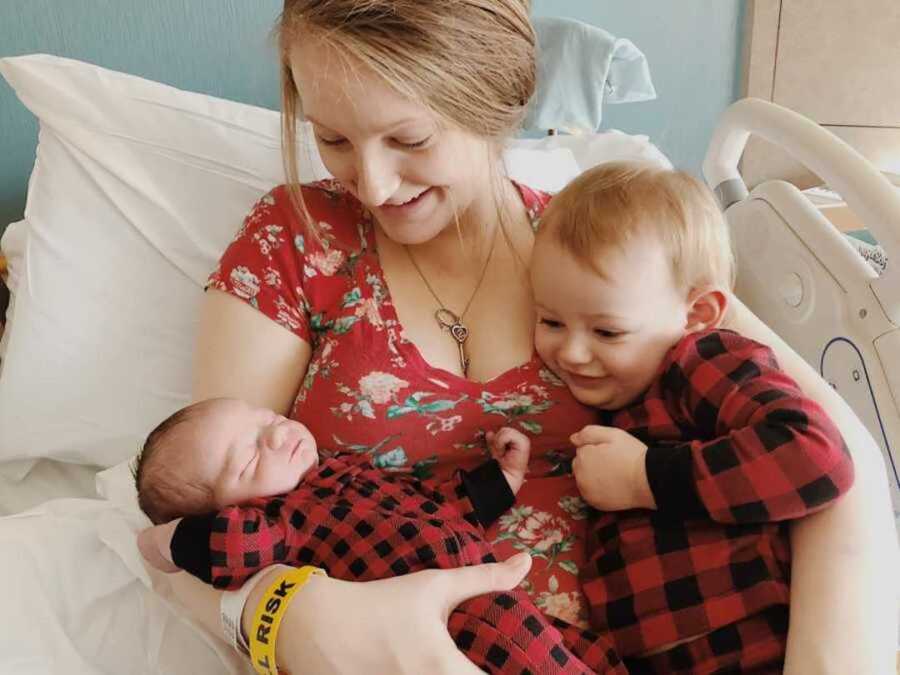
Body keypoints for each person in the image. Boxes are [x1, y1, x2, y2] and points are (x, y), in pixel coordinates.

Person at [161, 2, 899, 673]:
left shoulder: (601, 251)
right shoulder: (297, 240)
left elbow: (836, 459)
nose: (375, 184)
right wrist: (291, 619)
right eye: (334, 138)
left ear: (496, 101)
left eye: (408, 138)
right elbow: (192, 521)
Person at [505, 161, 855, 672]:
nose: (573, 353)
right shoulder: (619, 395)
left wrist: (646, 478)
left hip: (747, 649)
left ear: (696, 314)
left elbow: (817, 457)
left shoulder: (701, 363)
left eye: (607, 332)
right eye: (551, 321)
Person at [133, 396, 627, 674]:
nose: (280, 435)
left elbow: (434, 505)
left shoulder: (346, 474)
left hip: (499, 596)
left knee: (589, 656)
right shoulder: (278, 518)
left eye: (269, 420)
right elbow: (226, 549)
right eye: (250, 457)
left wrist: (502, 481)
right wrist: (166, 542)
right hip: (448, 630)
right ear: (226, 510)